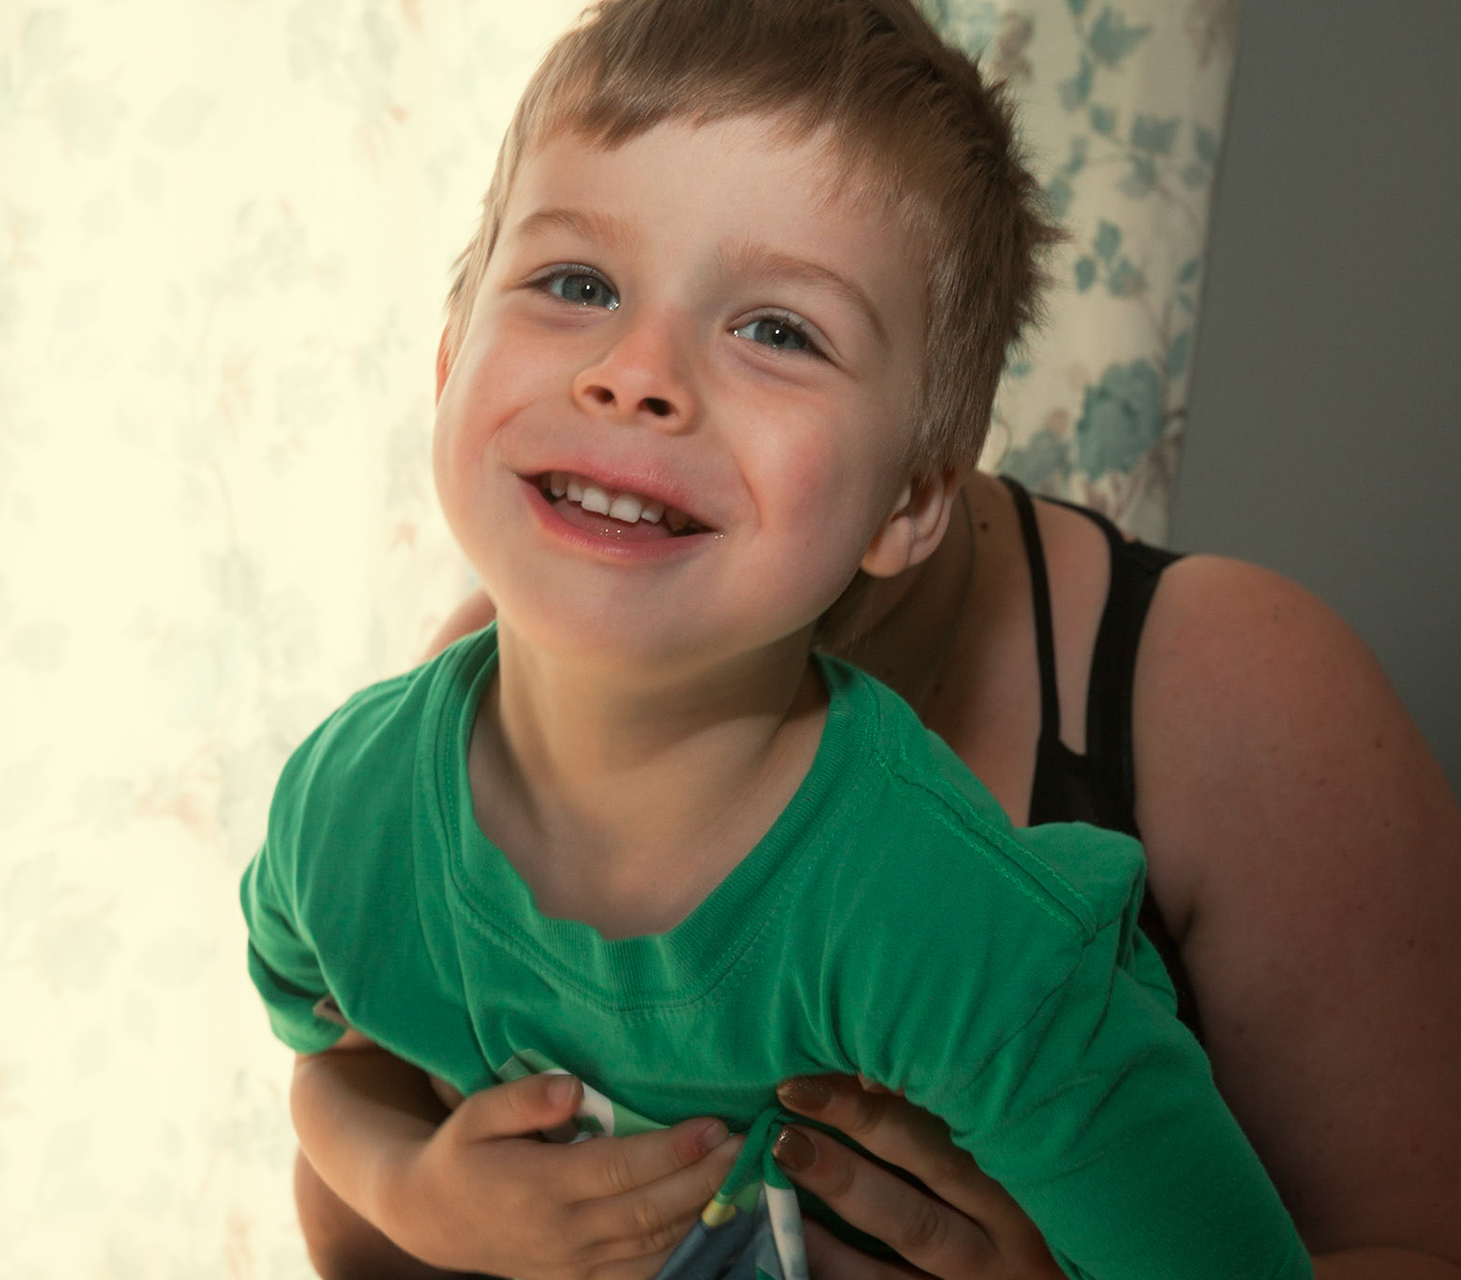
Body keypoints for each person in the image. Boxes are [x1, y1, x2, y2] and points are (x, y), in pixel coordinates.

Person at [241, 1, 1330, 1276]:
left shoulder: (963, 933)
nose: (638, 370)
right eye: (577, 283)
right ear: (446, 362)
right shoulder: (348, 800)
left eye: (776, 330)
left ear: (909, 500)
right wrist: (411, 1187)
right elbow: (331, 1059)